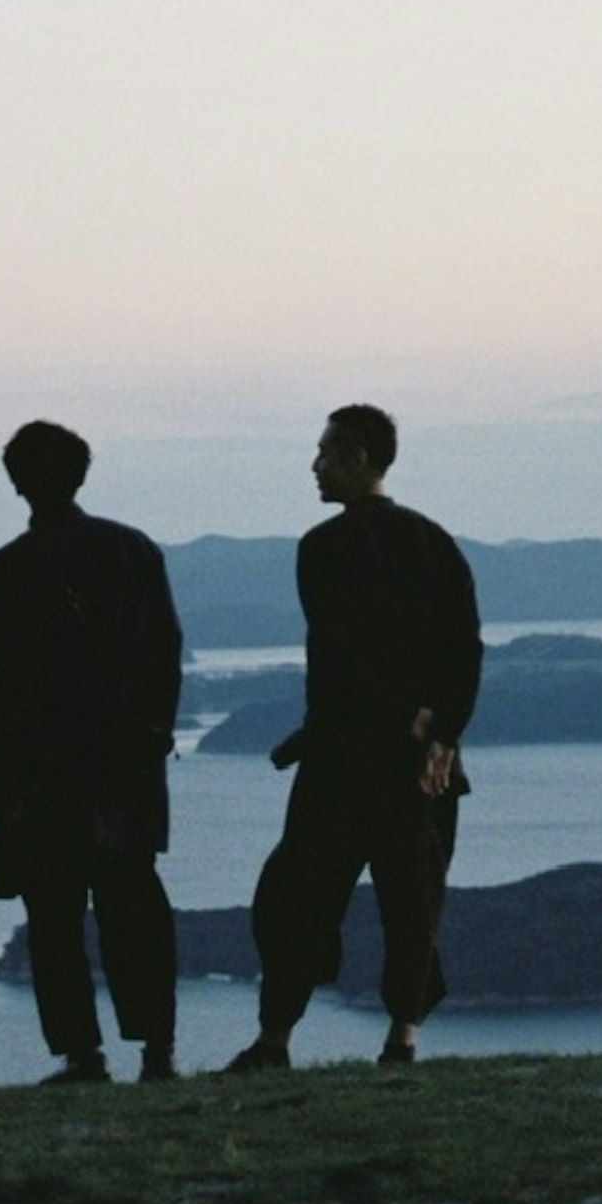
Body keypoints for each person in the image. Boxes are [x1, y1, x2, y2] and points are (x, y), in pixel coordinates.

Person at [224, 402, 481, 1072]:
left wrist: (405, 725)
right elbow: (464, 649)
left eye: (325, 453)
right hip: (420, 766)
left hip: (344, 761)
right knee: (414, 904)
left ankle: (275, 1039)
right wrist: (438, 731)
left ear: (357, 458)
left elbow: (344, 654)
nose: (314, 466)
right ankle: (402, 1040)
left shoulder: (322, 548)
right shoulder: (436, 541)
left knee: (295, 897)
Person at [0, 417, 185, 1087]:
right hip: (125, 770)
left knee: (54, 921)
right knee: (135, 913)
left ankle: (83, 1056)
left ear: (16, 483)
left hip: (42, 780)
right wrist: (149, 741)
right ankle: (157, 1054)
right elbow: (165, 657)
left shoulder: (10, 570)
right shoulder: (134, 552)